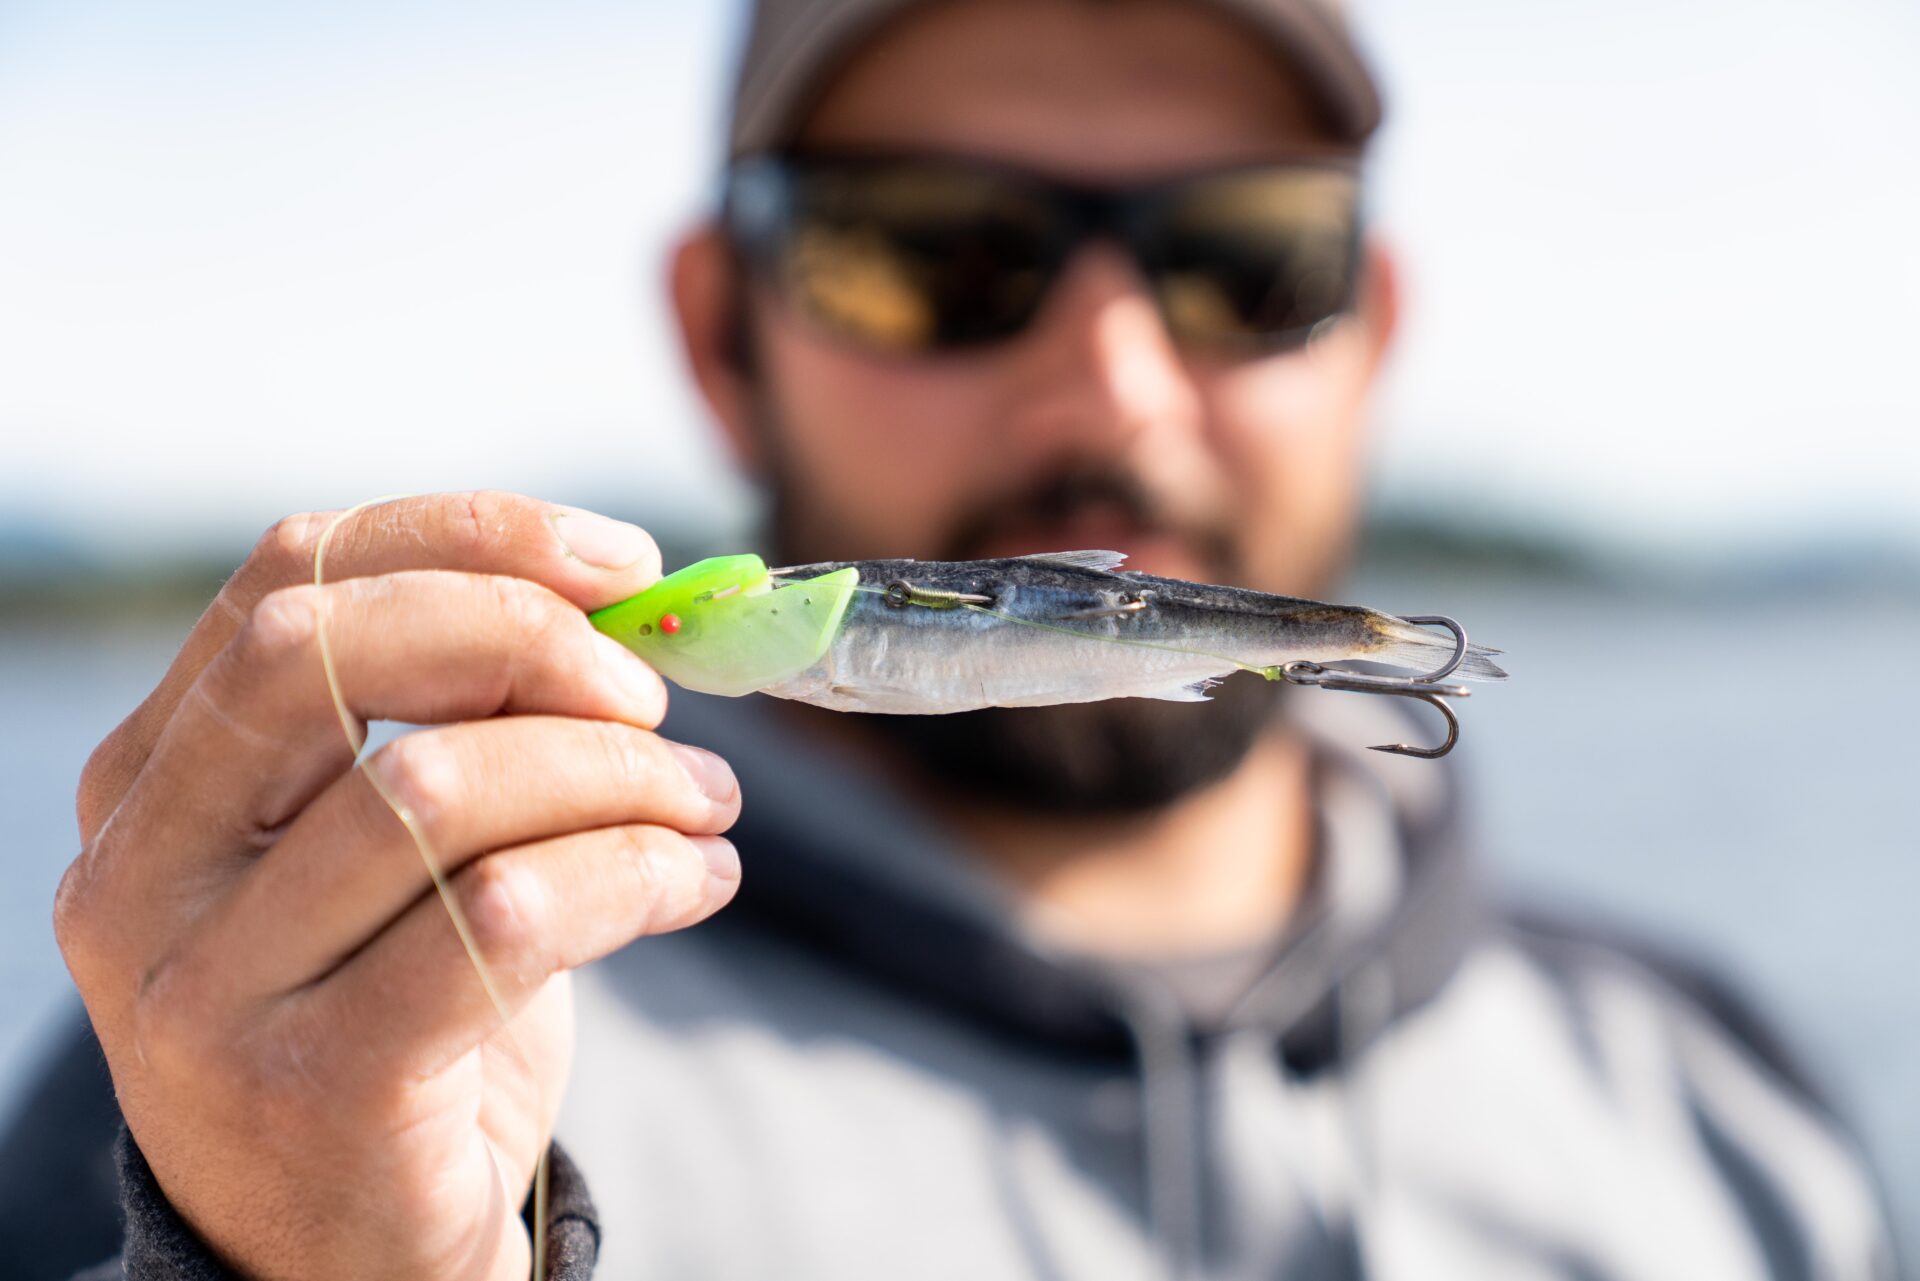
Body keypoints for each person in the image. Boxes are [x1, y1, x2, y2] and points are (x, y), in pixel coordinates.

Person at [0, 0, 1898, 1277]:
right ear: (717, 329)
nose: (1116, 387)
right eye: (935, 250)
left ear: (1371, 324)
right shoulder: (305, 1051)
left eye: (1249, 259)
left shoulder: (1727, 1125)